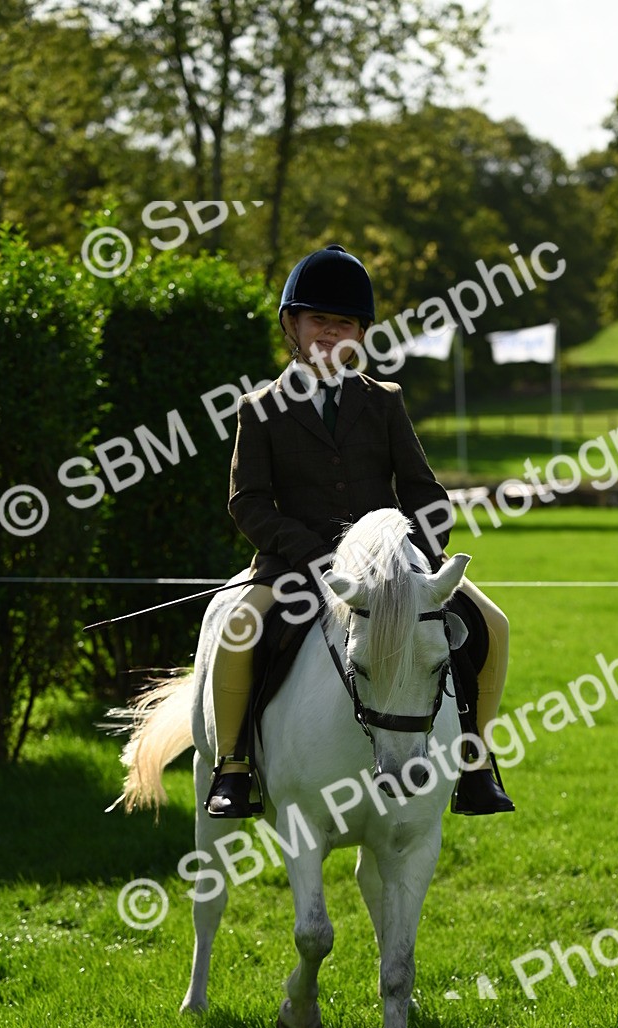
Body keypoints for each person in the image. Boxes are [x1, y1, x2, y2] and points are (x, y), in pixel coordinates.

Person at [206, 243, 513, 819]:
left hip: (389, 565)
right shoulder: (259, 407)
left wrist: (418, 552)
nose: (329, 332)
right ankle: (234, 765)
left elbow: (423, 489)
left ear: (360, 334)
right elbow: (247, 502)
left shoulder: (384, 401)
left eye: (342, 322)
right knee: (240, 630)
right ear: (292, 326)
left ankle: (475, 763)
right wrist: (311, 552)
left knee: (491, 623)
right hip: (294, 565)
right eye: (318, 319)